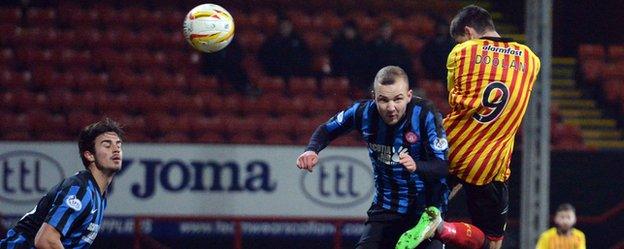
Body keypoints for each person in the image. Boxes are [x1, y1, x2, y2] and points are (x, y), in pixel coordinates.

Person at [397, 5, 541, 249]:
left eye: (459, 40)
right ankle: (444, 228)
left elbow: (455, 97)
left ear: (468, 32)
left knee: (420, 212)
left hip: (450, 147)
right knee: (491, 243)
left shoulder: (461, 53)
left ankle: (434, 224)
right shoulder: (531, 59)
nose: (458, 44)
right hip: (492, 162)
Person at [296, 66, 450, 249]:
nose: (391, 108)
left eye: (397, 99)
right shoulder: (362, 112)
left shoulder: (425, 114)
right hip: (385, 207)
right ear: (373, 97)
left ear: (408, 96)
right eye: (383, 100)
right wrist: (312, 149)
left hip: (425, 213)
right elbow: (326, 129)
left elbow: (443, 167)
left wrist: (417, 165)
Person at [0, 118, 124, 249]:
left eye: (118, 145)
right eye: (107, 145)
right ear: (89, 155)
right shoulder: (80, 190)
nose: (116, 149)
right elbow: (45, 240)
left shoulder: (99, 196)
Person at [367, 21, 413, 86]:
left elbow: (405, 62)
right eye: (383, 30)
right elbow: (370, 64)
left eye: (387, 29)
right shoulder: (373, 46)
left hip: (396, 77)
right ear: (380, 31)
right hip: (378, 78)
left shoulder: (397, 45)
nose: (386, 32)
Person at [329, 20, 369, 91]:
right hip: (341, 74)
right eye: (347, 30)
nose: (349, 32)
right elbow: (334, 60)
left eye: (351, 30)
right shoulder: (338, 44)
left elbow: (363, 62)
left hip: (357, 75)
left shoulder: (360, 44)